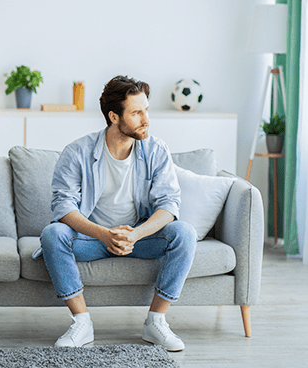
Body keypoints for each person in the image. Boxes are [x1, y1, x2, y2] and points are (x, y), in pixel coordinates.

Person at [39, 75, 197, 351]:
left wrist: (135, 234)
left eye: (146, 110)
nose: (146, 119)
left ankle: (156, 321)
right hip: (93, 240)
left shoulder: (157, 150)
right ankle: (81, 323)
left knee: (184, 233)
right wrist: (104, 234)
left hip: (140, 238)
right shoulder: (77, 152)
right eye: (136, 113)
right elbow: (63, 207)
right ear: (114, 116)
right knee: (53, 234)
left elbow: (169, 204)